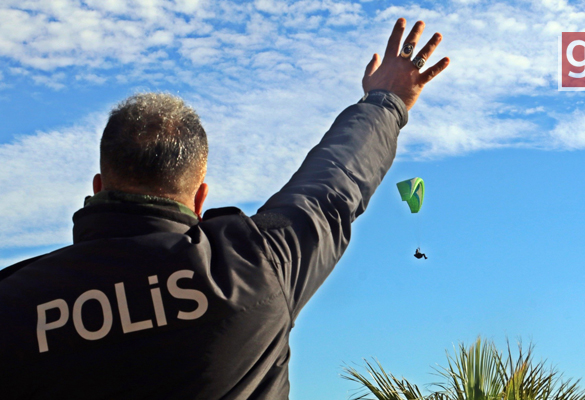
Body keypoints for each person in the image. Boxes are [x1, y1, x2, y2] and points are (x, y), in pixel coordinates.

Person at [0, 18, 449, 399]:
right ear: (200, 198)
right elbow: (333, 185)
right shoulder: (255, 266)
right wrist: (385, 101)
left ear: (98, 187)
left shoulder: (14, 301)